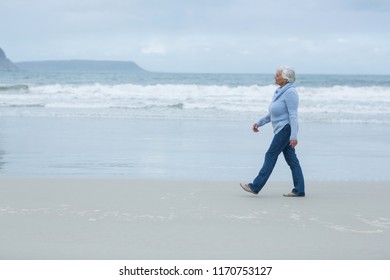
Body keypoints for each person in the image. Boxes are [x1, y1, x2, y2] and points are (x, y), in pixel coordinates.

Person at [240, 66, 305, 197]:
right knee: (292, 160)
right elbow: (273, 114)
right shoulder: (279, 91)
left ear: (285, 78)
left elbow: (293, 115)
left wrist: (294, 136)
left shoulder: (291, 92)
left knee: (270, 155)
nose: (275, 77)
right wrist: (259, 122)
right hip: (282, 129)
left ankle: (255, 186)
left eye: (277, 75)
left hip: (286, 129)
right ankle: (299, 189)